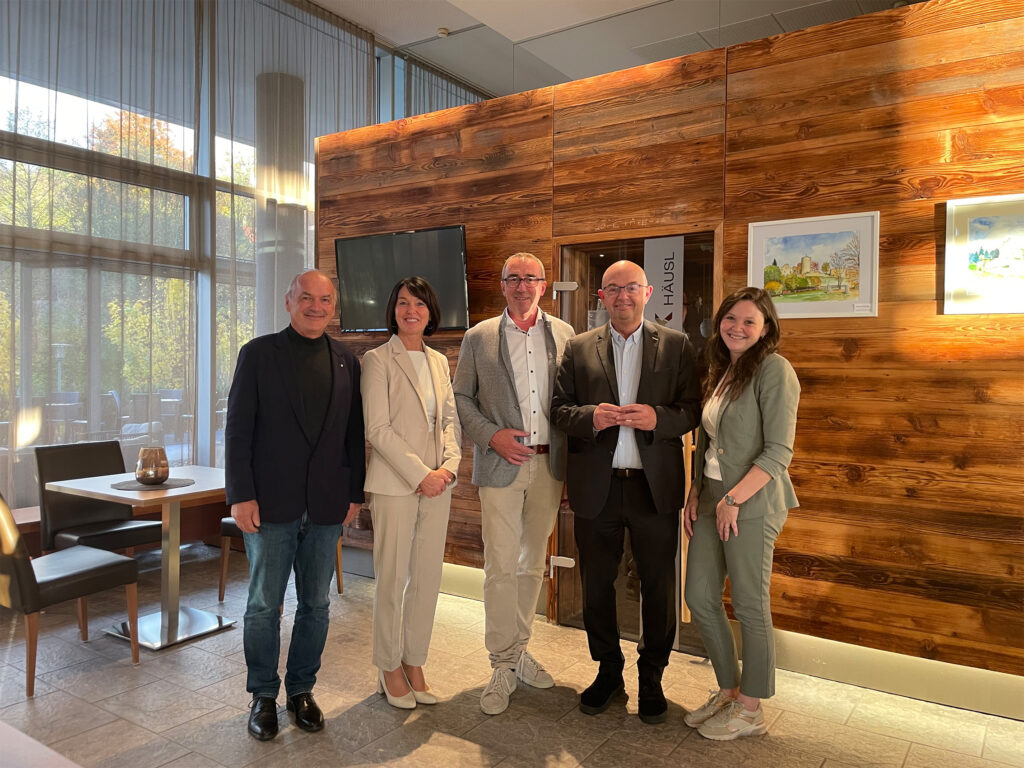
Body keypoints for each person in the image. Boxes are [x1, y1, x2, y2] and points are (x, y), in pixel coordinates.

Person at [551, 259, 700, 724]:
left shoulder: (676, 345)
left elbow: (692, 408)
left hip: (654, 490)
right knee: (597, 586)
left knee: (658, 587)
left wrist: (660, 419)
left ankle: (651, 676)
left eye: (631, 288)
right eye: (613, 289)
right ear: (601, 296)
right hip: (597, 488)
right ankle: (609, 673)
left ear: (648, 292)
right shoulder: (578, 348)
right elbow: (558, 410)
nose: (623, 296)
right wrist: (589, 416)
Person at [225, 269, 365, 741]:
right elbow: (238, 430)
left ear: (333, 306)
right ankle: (263, 695)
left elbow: (352, 436)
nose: (316, 306)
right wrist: (240, 495)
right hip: (269, 505)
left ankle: (302, 690)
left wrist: (354, 495)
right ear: (289, 302)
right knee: (264, 606)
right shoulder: (258, 354)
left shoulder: (347, 360)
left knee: (316, 604)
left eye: (325, 299)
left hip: (327, 506)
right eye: (307, 297)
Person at [453, 252, 575, 715]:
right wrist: (491, 436)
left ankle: (520, 650)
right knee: (500, 566)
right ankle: (501, 662)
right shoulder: (478, 337)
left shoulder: (563, 334)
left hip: (548, 467)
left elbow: (572, 400)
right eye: (514, 279)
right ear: (502, 286)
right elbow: (461, 397)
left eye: (531, 278)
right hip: (500, 465)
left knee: (530, 565)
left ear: (543, 286)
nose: (523, 286)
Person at [682, 286, 800, 741]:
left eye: (749, 321)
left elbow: (778, 452)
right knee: (700, 597)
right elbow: (708, 442)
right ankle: (729, 691)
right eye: (731, 318)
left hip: (751, 503)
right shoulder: (722, 371)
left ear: (765, 328)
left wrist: (734, 499)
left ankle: (751, 709)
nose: (737, 327)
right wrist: (697, 492)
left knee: (750, 604)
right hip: (712, 499)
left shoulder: (775, 371)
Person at [362, 277, 461, 709]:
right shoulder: (377, 359)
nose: (410, 310)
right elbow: (377, 429)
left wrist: (449, 468)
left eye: (419, 303)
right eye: (402, 303)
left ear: (430, 311)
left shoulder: (439, 361)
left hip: (438, 486)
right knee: (392, 579)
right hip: (395, 485)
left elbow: (450, 421)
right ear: (393, 309)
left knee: (427, 579)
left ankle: (414, 661)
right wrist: (421, 473)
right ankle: (387, 666)